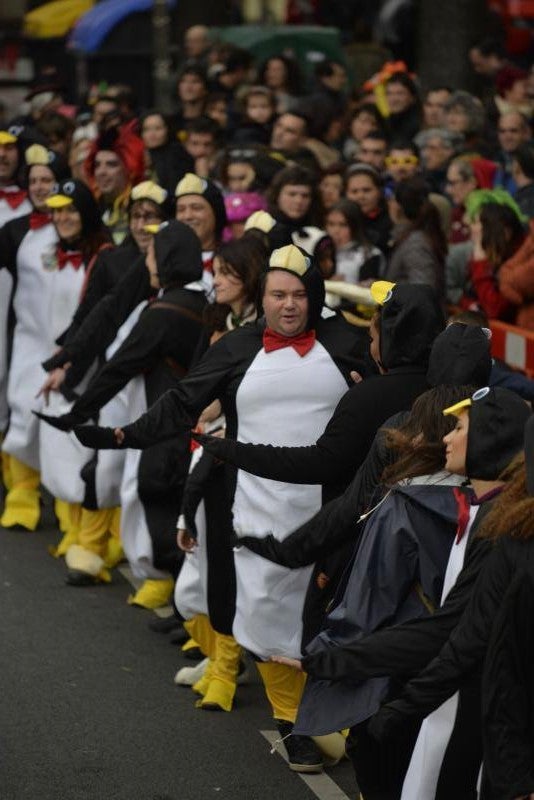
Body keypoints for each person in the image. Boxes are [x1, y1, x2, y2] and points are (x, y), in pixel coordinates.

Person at [73, 244, 366, 771]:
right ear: (263, 298)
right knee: (266, 615)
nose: (290, 306)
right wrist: (123, 435)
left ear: (314, 297)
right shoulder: (236, 345)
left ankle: (337, 717)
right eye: (278, 295)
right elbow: (184, 403)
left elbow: (390, 390)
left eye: (300, 295)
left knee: (332, 618)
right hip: (255, 507)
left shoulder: (346, 342)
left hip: (335, 507)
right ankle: (294, 724)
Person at [366, 386, 531, 800]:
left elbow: (463, 634)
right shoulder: (490, 518)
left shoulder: (503, 534)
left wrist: (339, 662)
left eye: (458, 427)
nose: (446, 437)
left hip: (475, 712)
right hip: (460, 705)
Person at [39, 221, 207, 601]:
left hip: (167, 427)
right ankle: (186, 607)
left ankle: (181, 599)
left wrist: (76, 413)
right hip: (188, 424)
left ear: (167, 258)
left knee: (154, 491)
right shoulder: (202, 299)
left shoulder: (165, 311)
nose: (146, 259)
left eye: (152, 253)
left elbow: (118, 367)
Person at [0, 144, 69, 530]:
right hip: (28, 340)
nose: (40, 187)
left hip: (70, 343)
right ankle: (22, 494)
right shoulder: (15, 231)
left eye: (48, 180)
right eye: (34, 181)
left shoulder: (77, 225)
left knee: (63, 424)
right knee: (23, 412)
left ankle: (64, 502)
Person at [459, 189, 526, 321]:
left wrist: (480, 263)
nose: (472, 227)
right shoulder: (490, 255)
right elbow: (467, 296)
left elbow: (494, 310)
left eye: (478, 222)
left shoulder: (519, 263)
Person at [386, 176, 447, 295]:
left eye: (391, 199)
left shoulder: (416, 244)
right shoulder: (407, 237)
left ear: (398, 206)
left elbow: (422, 292)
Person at [85, 124, 146, 244]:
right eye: (97, 165)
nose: (101, 172)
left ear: (129, 170)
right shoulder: (92, 209)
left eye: (111, 164)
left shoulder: (144, 208)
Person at [325, 198, 385, 284]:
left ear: (355, 227)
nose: (335, 231)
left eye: (343, 225)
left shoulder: (369, 255)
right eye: (331, 224)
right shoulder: (319, 251)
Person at [140, 110, 193, 197]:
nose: (152, 134)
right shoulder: (140, 155)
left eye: (158, 128)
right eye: (146, 129)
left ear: (168, 129)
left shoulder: (178, 154)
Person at [344, 164, 392, 254]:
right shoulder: (338, 222)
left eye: (366, 190)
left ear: (379, 192)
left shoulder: (392, 223)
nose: (360, 196)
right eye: (354, 192)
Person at [267, 165, 323, 233]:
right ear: (277, 195)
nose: (298, 201)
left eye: (305, 196)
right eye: (292, 194)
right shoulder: (262, 230)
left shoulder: (319, 231)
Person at [414, 128, 463, 195]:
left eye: (432, 148)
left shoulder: (458, 177)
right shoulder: (420, 177)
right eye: (424, 148)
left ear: (448, 151)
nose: (425, 154)